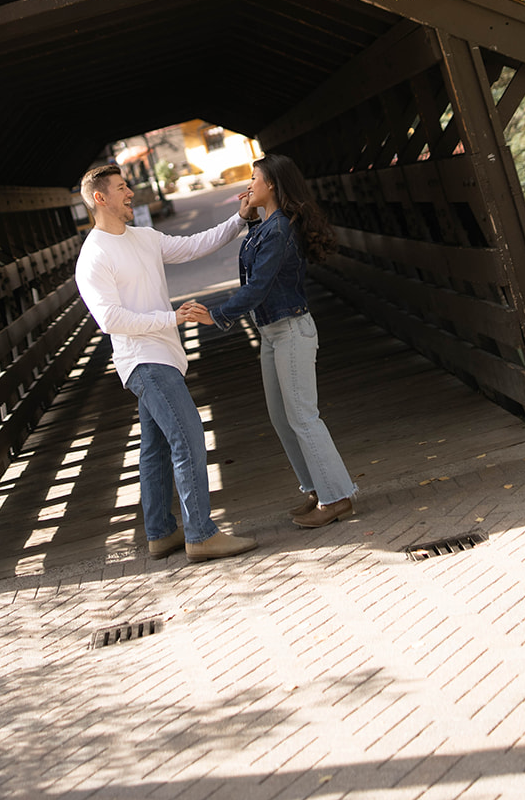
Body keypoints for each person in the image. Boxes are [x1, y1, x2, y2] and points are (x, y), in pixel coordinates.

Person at [75, 163, 259, 563]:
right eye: (122, 188)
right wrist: (170, 318)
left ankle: (161, 533)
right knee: (189, 435)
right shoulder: (93, 256)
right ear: (99, 198)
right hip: (143, 360)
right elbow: (110, 320)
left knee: (155, 447)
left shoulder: (143, 237)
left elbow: (194, 245)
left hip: (163, 355)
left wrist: (239, 219)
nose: (131, 194)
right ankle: (201, 534)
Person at [177, 154, 356, 529]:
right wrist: (249, 215)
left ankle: (336, 497)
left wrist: (217, 315)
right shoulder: (266, 227)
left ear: (271, 184)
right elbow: (256, 268)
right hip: (273, 333)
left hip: (291, 330)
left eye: (254, 178)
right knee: (281, 417)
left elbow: (258, 286)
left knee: (303, 417)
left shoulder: (279, 231)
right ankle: (316, 489)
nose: (249, 184)